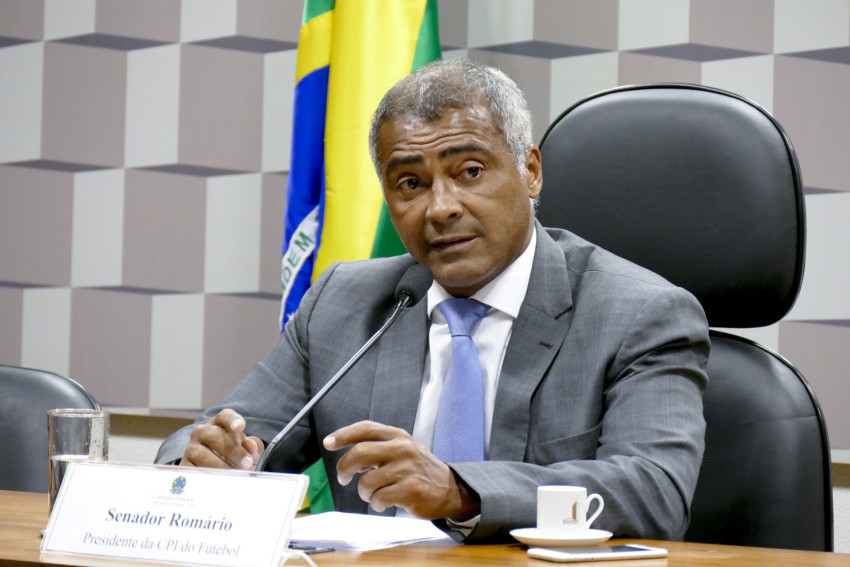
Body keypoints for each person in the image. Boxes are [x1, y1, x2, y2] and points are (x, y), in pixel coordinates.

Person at [156, 59, 709, 543]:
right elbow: (222, 433)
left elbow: (652, 492)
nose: (441, 207)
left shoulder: (640, 313)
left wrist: (459, 491)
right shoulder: (343, 303)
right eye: (410, 184)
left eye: (470, 172)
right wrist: (205, 458)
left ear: (530, 171)